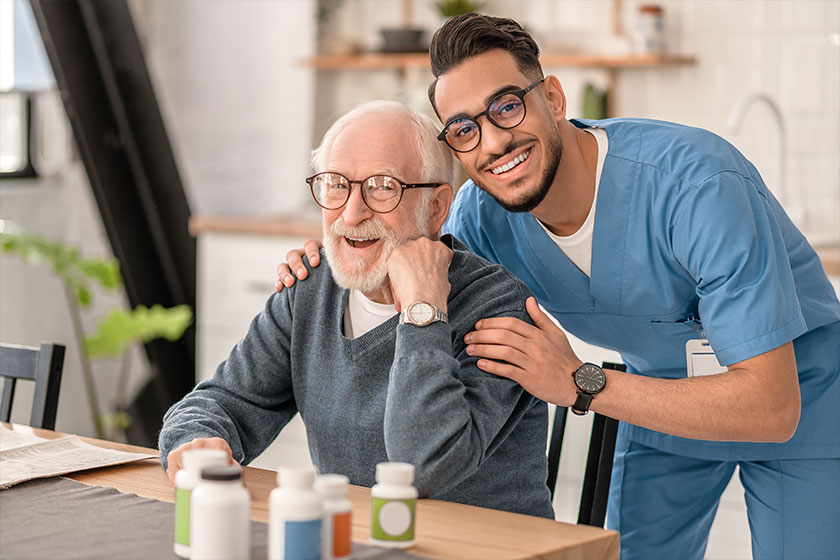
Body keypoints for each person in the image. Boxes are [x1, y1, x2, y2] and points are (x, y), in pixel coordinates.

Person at [275, 13, 840, 560]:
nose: (494, 142)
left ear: (553, 99)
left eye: (507, 106)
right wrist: (329, 256)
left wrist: (580, 383)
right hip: (660, 398)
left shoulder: (698, 186)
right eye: (466, 129)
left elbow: (772, 406)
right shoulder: (482, 217)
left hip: (799, 394)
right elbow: (405, 245)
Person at [159, 100, 554, 519]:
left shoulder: (495, 305)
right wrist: (195, 440)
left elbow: (422, 467)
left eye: (383, 186)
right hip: (356, 544)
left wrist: (422, 310)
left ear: (436, 207)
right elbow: (222, 402)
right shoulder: (309, 290)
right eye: (335, 184)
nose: (351, 212)